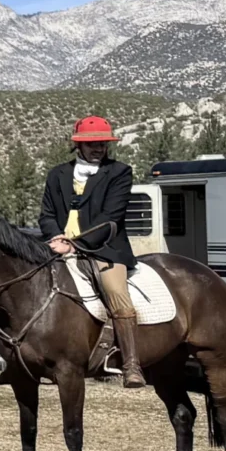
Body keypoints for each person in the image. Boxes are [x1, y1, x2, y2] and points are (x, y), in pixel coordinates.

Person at [32, 116, 143, 388]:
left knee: (115, 290)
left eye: (102, 143)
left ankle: (131, 364)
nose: (98, 148)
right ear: (78, 145)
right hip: (59, 246)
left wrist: (75, 244)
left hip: (104, 248)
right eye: (92, 144)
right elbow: (46, 215)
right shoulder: (57, 174)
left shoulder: (119, 172)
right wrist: (56, 237)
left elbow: (110, 218)